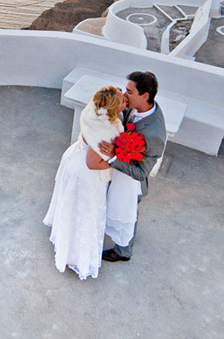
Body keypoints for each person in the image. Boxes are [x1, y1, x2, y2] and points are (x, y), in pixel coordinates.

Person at [43, 86, 126, 280]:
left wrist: (114, 93)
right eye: (122, 100)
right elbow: (93, 163)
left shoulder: (95, 109)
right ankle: (75, 256)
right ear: (113, 109)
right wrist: (116, 156)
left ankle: (66, 240)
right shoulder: (105, 131)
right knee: (84, 212)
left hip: (73, 161)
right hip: (86, 175)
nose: (126, 102)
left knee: (72, 207)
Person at [99, 71, 167, 263]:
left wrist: (113, 157)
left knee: (128, 212)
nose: (124, 94)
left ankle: (124, 251)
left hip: (131, 181)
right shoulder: (139, 107)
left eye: (129, 91)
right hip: (119, 169)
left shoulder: (154, 134)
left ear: (145, 96)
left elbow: (142, 172)